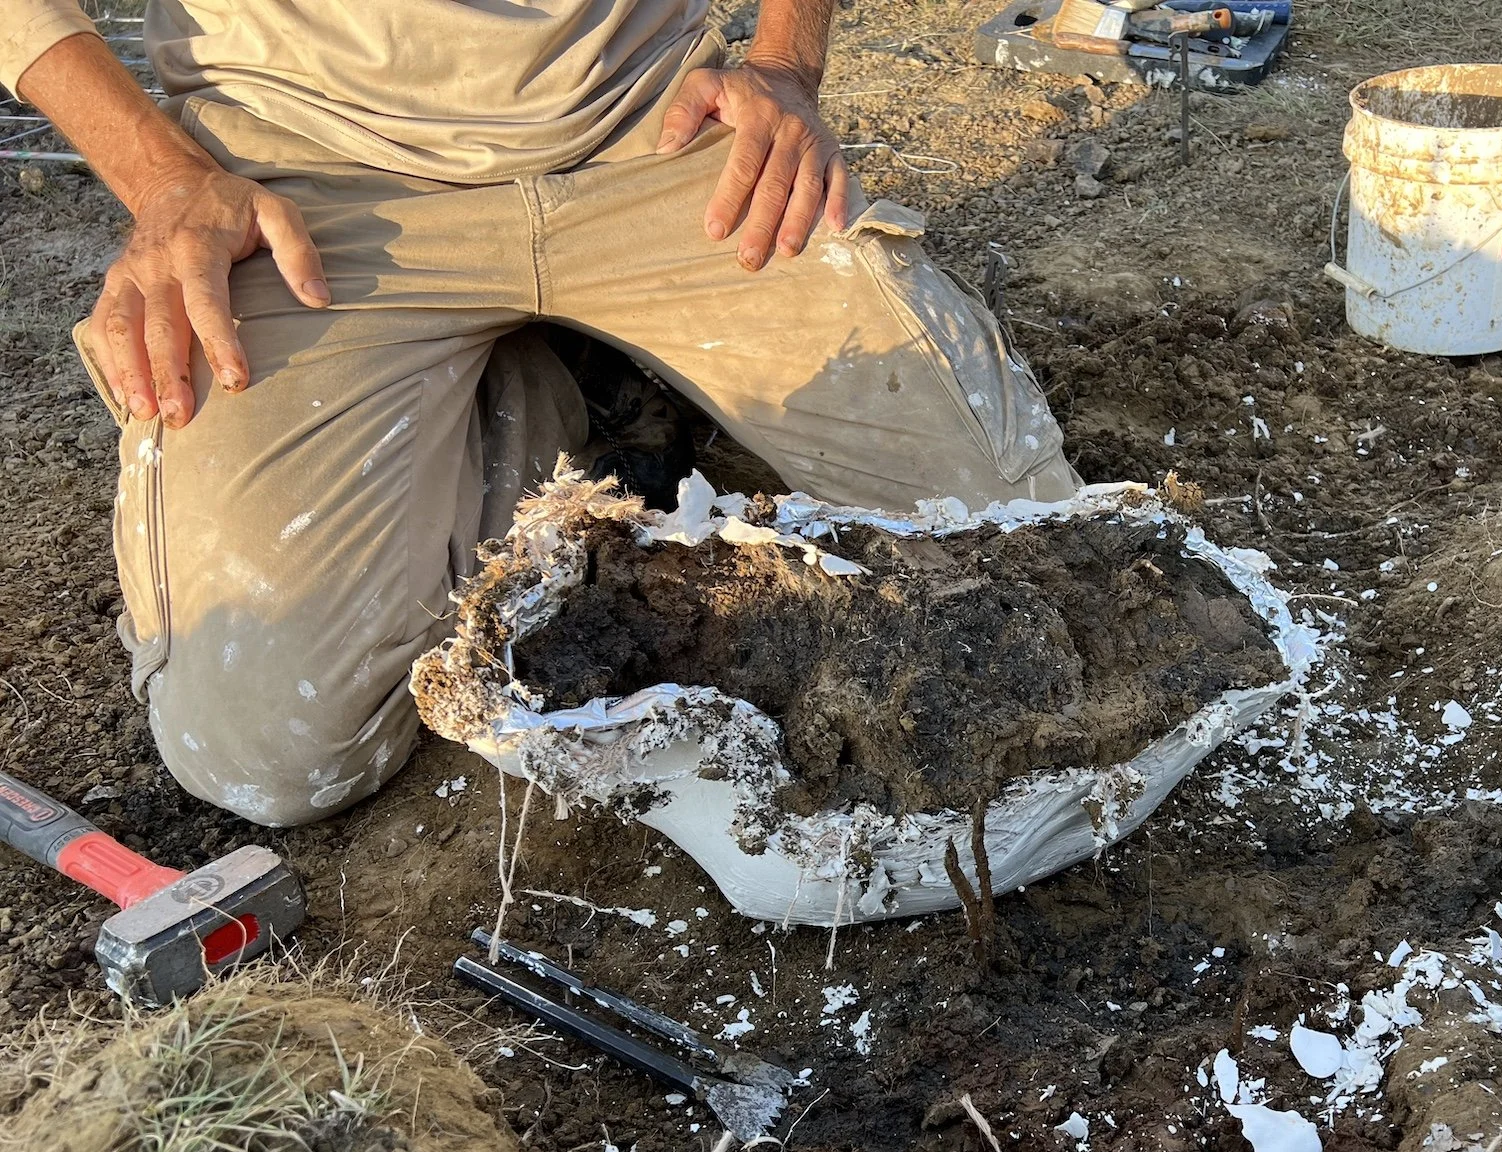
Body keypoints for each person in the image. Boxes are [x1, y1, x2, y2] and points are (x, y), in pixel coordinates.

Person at [2, 1, 1080, 826]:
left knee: (1032, 546)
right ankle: (531, 392)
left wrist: (784, 66)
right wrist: (164, 179)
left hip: (654, 139)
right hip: (305, 188)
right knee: (272, 754)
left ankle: (580, 357)